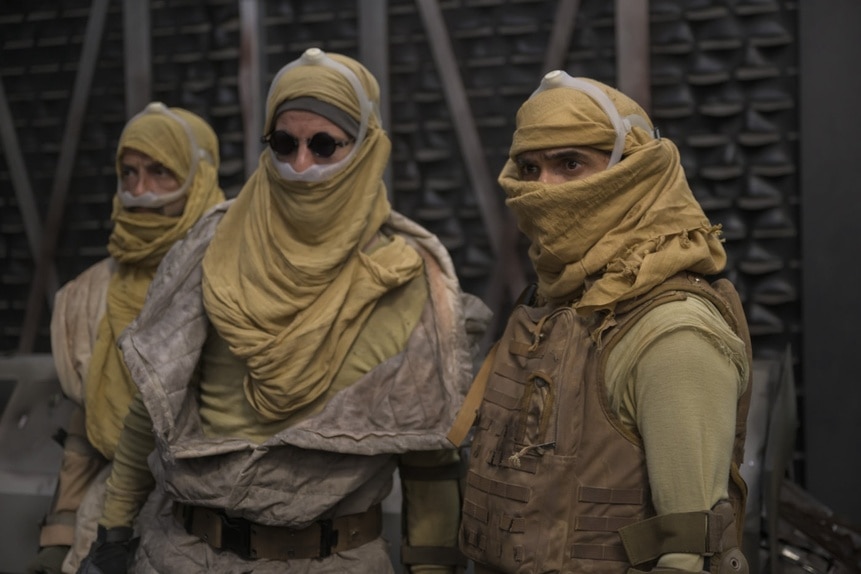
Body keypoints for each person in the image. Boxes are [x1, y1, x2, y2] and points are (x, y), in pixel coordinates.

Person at [77, 47, 491, 574]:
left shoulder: (411, 276)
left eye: (324, 145)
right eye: (283, 143)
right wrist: (113, 532)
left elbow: (429, 452)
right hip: (183, 554)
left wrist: (432, 566)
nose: (300, 166)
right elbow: (155, 400)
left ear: (365, 148)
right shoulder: (212, 247)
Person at [452, 72, 753, 573]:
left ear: (634, 171)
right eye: (529, 168)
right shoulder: (552, 302)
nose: (542, 189)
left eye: (571, 164)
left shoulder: (672, 334)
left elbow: (689, 552)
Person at [27, 103, 226, 574]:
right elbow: (86, 427)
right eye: (129, 172)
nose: (140, 191)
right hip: (105, 529)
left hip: (209, 528)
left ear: (198, 176)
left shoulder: (232, 277)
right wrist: (58, 535)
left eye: (161, 172)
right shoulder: (87, 294)